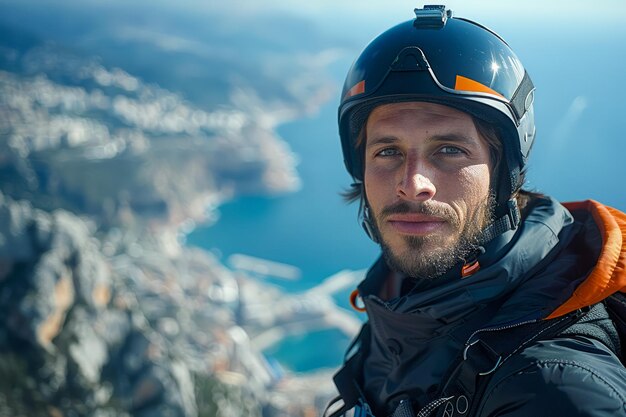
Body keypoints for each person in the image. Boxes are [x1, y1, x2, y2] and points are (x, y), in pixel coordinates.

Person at [326, 5, 626, 417]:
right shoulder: (401, 296)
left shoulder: (552, 385)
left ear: (503, 171)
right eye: (388, 150)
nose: (413, 183)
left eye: (449, 150)